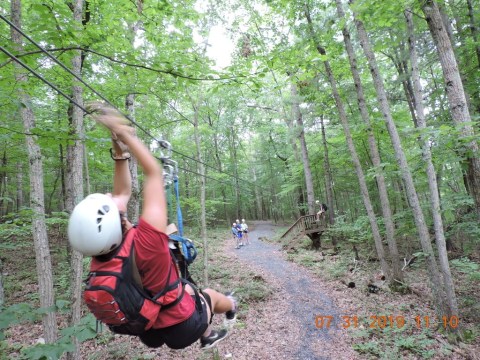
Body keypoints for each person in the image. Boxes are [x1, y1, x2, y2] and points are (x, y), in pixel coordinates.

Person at [68, 103, 236, 350]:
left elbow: (122, 191)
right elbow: (153, 173)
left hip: (149, 330)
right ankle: (232, 306)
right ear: (117, 221)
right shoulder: (147, 241)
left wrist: (120, 151)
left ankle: (206, 331)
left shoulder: (102, 254)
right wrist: (124, 133)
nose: (110, 194)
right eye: (109, 202)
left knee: (184, 291)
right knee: (208, 295)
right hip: (183, 326)